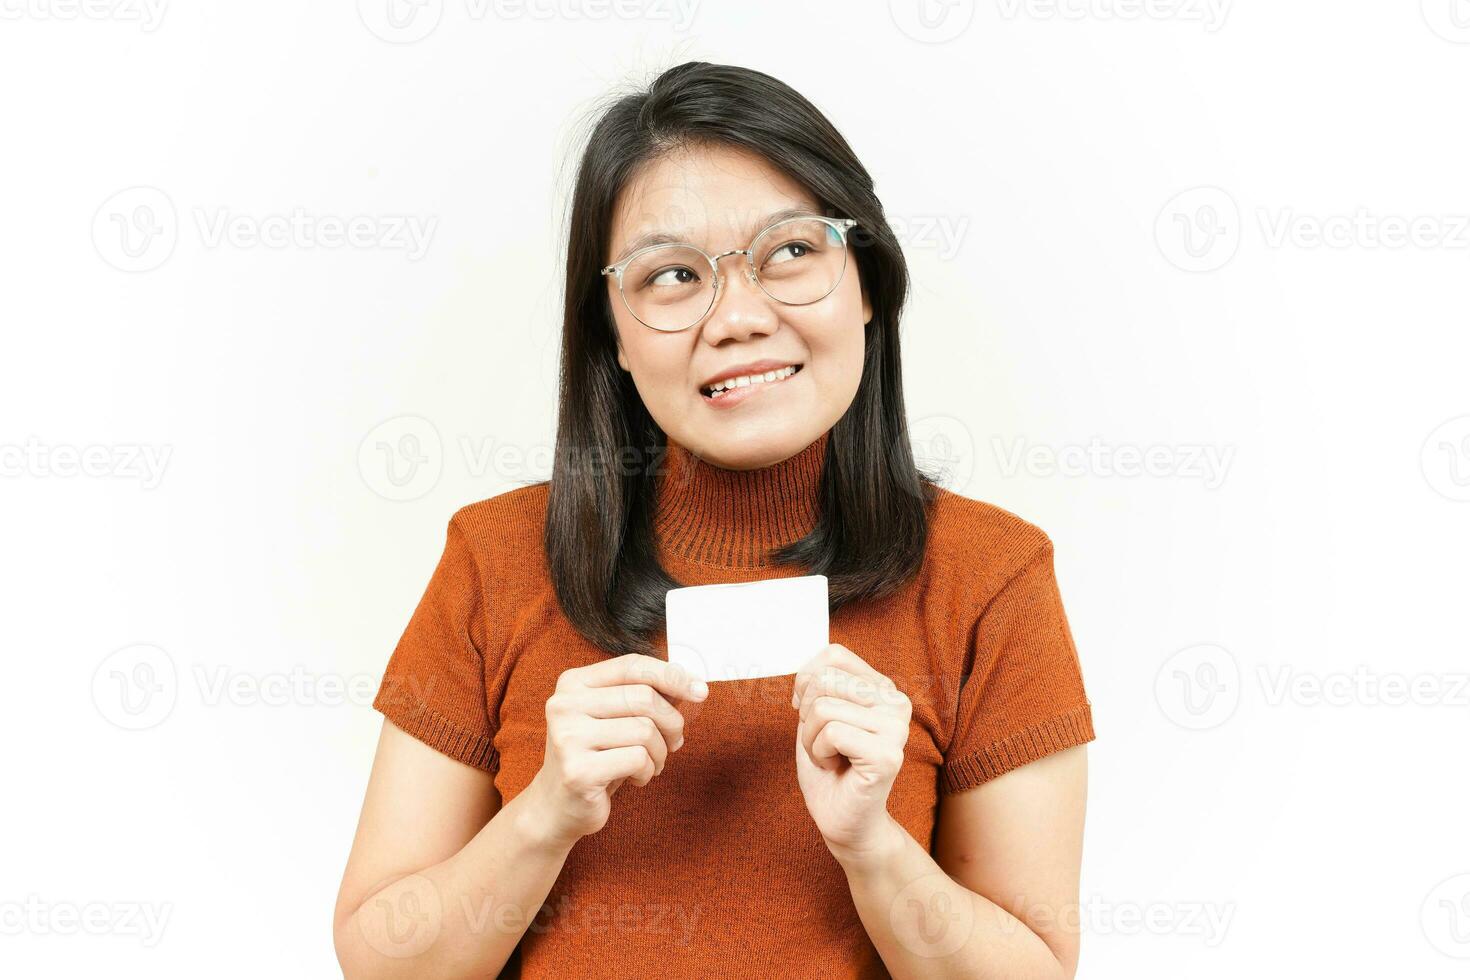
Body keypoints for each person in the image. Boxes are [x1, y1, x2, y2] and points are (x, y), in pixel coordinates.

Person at [334, 61, 1095, 979]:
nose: (738, 316)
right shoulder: (496, 558)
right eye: (671, 275)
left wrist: (874, 848)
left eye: (790, 251)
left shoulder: (991, 574)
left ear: (866, 283)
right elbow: (380, 962)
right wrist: (547, 812)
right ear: (611, 331)